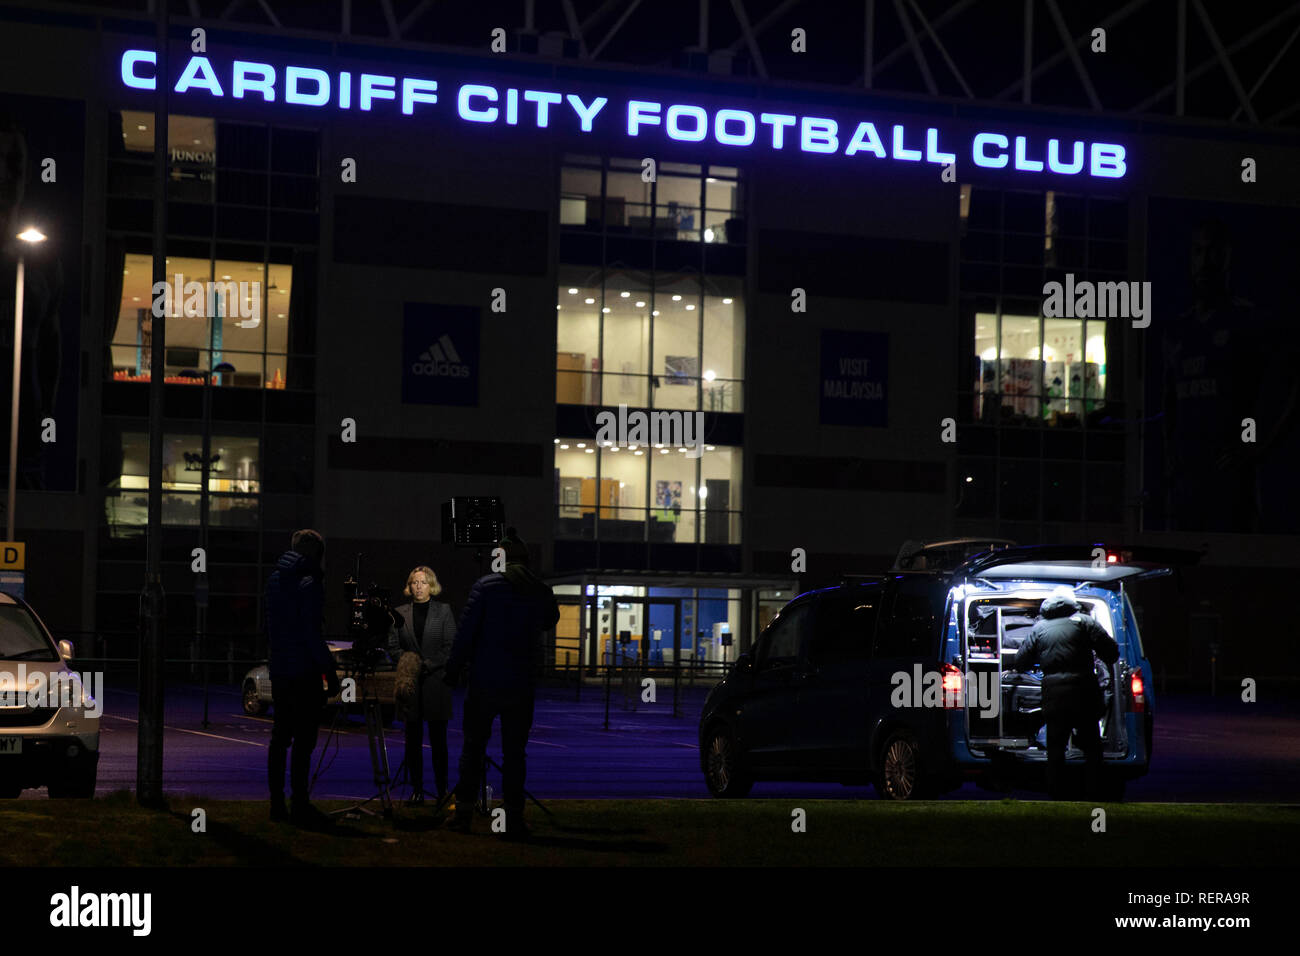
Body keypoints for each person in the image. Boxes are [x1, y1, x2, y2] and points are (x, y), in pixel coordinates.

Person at [444, 529, 559, 840]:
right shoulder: (539, 590)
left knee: (473, 747)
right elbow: (550, 621)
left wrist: (452, 671)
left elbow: (465, 634)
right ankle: (513, 817)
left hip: (485, 680)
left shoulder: (486, 586)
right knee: (514, 754)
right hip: (521, 682)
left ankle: (464, 813)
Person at [1012, 586, 1119, 800]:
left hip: (1055, 695)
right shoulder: (1084, 622)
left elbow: (1020, 661)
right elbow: (1111, 651)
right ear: (1072, 603)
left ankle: (1056, 794)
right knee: (1092, 747)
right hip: (1083, 692)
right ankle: (1095, 792)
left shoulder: (1040, 627)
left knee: (1056, 747)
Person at [265, 528, 339, 829]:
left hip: (281, 668)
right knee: (304, 741)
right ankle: (299, 802)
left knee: (280, 738)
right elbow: (311, 633)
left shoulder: (275, 580)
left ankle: (276, 804)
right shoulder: (310, 583)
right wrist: (330, 672)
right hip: (304, 672)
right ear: (314, 554)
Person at [387, 566, 457, 806]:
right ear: (409, 585)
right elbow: (393, 646)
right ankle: (416, 790)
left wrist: (428, 664)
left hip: (436, 683)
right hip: (411, 685)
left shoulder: (444, 611)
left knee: (439, 743)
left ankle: (441, 789)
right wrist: (408, 663)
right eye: (414, 582)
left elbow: (450, 646)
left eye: (423, 582)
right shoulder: (399, 613)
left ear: (432, 585)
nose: (418, 586)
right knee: (412, 742)